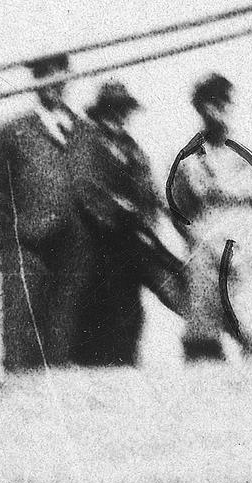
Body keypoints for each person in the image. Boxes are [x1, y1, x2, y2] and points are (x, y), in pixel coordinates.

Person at [168, 74, 252, 361]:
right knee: (203, 324)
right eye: (210, 104)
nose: (218, 110)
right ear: (200, 109)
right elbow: (178, 209)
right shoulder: (188, 159)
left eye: (224, 102)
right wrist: (196, 237)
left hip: (249, 239)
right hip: (207, 238)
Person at [0, 53, 87, 373]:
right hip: (27, 238)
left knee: (63, 318)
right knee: (20, 315)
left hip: (73, 242)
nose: (50, 83)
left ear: (67, 78)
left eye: (56, 74)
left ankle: (56, 383)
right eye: (43, 75)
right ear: (35, 82)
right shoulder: (14, 131)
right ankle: (17, 384)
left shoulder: (84, 131)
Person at [67, 83, 181, 368]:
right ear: (101, 111)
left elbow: (148, 191)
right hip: (95, 240)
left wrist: (146, 217)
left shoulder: (131, 147)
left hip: (130, 242)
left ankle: (126, 366)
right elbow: (84, 186)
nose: (119, 116)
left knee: (130, 309)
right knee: (96, 311)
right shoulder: (86, 139)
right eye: (113, 109)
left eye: (124, 110)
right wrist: (117, 208)